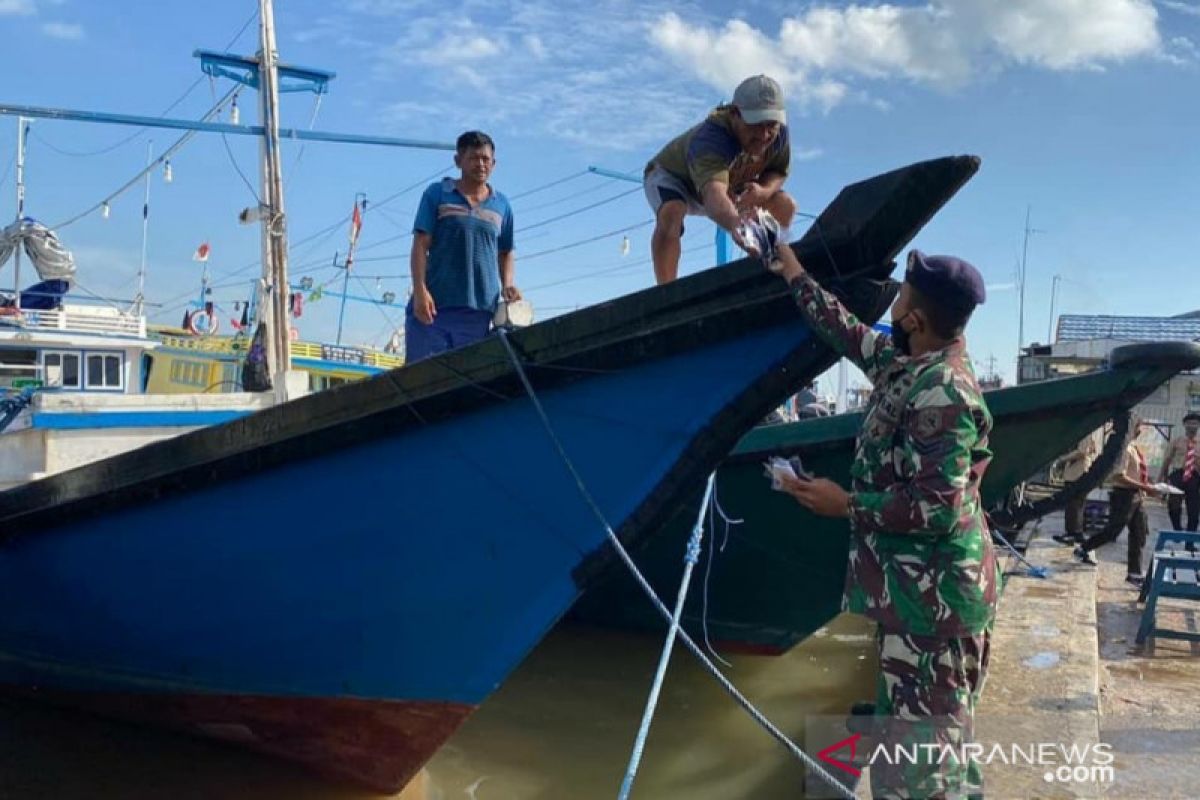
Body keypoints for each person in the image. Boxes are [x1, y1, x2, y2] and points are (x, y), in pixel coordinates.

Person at [757, 226, 998, 799]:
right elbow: (848, 333)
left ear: (915, 318)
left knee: (922, 774)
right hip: (915, 602)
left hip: (935, 613)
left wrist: (847, 505)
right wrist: (792, 270)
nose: (894, 299)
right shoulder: (906, 365)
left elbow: (936, 510)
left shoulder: (943, 393)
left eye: (903, 294)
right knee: (922, 756)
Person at [643, 74, 797, 284]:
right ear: (735, 114)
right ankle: (665, 290)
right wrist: (737, 225)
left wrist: (763, 192)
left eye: (771, 125)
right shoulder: (711, 140)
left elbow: (778, 171)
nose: (763, 136)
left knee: (784, 204)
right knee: (672, 212)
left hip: (730, 185)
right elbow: (714, 198)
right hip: (675, 179)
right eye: (755, 125)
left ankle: (769, 267)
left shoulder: (778, 136)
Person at [406, 130, 520, 363]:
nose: (480, 164)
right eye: (473, 158)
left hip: (479, 312)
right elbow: (420, 244)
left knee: (467, 384)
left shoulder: (502, 205)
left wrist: (508, 284)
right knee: (425, 380)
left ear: (494, 164)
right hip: (434, 308)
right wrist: (419, 290)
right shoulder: (437, 194)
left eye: (485, 159)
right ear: (458, 161)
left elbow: (506, 251)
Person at [1073, 424, 1161, 586]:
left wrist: (1150, 484)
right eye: (1138, 427)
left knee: (1139, 533)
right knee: (1113, 531)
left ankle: (1134, 573)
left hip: (1137, 496)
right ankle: (1084, 548)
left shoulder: (1135, 448)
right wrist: (1145, 487)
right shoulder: (1123, 450)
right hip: (1124, 496)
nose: (1141, 431)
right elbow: (1119, 476)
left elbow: (1137, 472)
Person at [1051, 429, 1102, 546]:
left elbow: (1082, 452)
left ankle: (1073, 532)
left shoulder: (1087, 431)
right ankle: (1074, 531)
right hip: (1074, 472)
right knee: (1074, 504)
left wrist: (1062, 459)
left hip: (1078, 472)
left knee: (1074, 504)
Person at [1160, 412, 1200, 531]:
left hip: (1195, 476)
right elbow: (1167, 460)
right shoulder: (1177, 441)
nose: (1192, 426)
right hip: (1178, 474)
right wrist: (1161, 478)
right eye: (1190, 423)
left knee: (1194, 511)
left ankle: (1189, 542)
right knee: (1173, 505)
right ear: (1184, 425)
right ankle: (1177, 528)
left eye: (1195, 423)